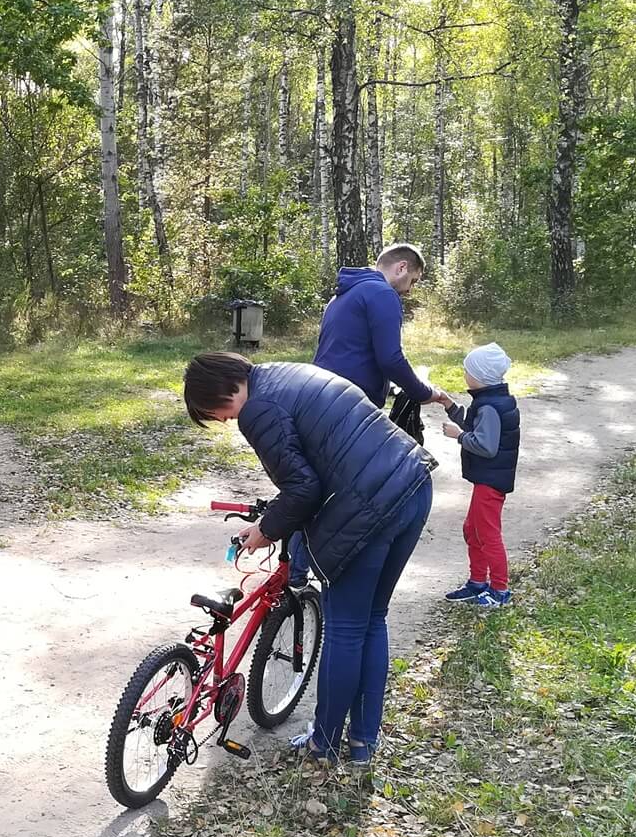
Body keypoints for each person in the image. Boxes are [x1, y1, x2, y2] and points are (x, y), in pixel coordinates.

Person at [184, 351, 436, 767]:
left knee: (348, 629)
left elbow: (303, 489)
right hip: (411, 481)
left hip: (371, 506)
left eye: (216, 412)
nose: (225, 421)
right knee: (373, 619)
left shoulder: (256, 409)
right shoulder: (286, 372)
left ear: (223, 392)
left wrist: (265, 531)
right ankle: (363, 743)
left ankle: (325, 742)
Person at [294, 243, 451, 587]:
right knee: (346, 486)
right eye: (413, 280)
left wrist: (389, 388)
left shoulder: (341, 297)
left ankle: (294, 573)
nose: (410, 289)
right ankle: (329, 567)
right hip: (348, 407)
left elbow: (348, 352)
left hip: (317, 395)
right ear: (401, 268)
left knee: (314, 482)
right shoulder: (382, 295)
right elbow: (390, 358)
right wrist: (425, 392)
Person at [441, 343, 520, 609]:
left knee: (487, 534)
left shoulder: (490, 407)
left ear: (481, 376)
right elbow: (477, 427)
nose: (465, 375)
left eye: (468, 371)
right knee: (472, 530)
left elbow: (486, 446)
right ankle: (477, 583)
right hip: (487, 479)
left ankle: (500, 590)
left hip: (491, 482)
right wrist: (449, 405)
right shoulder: (491, 401)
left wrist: (459, 436)